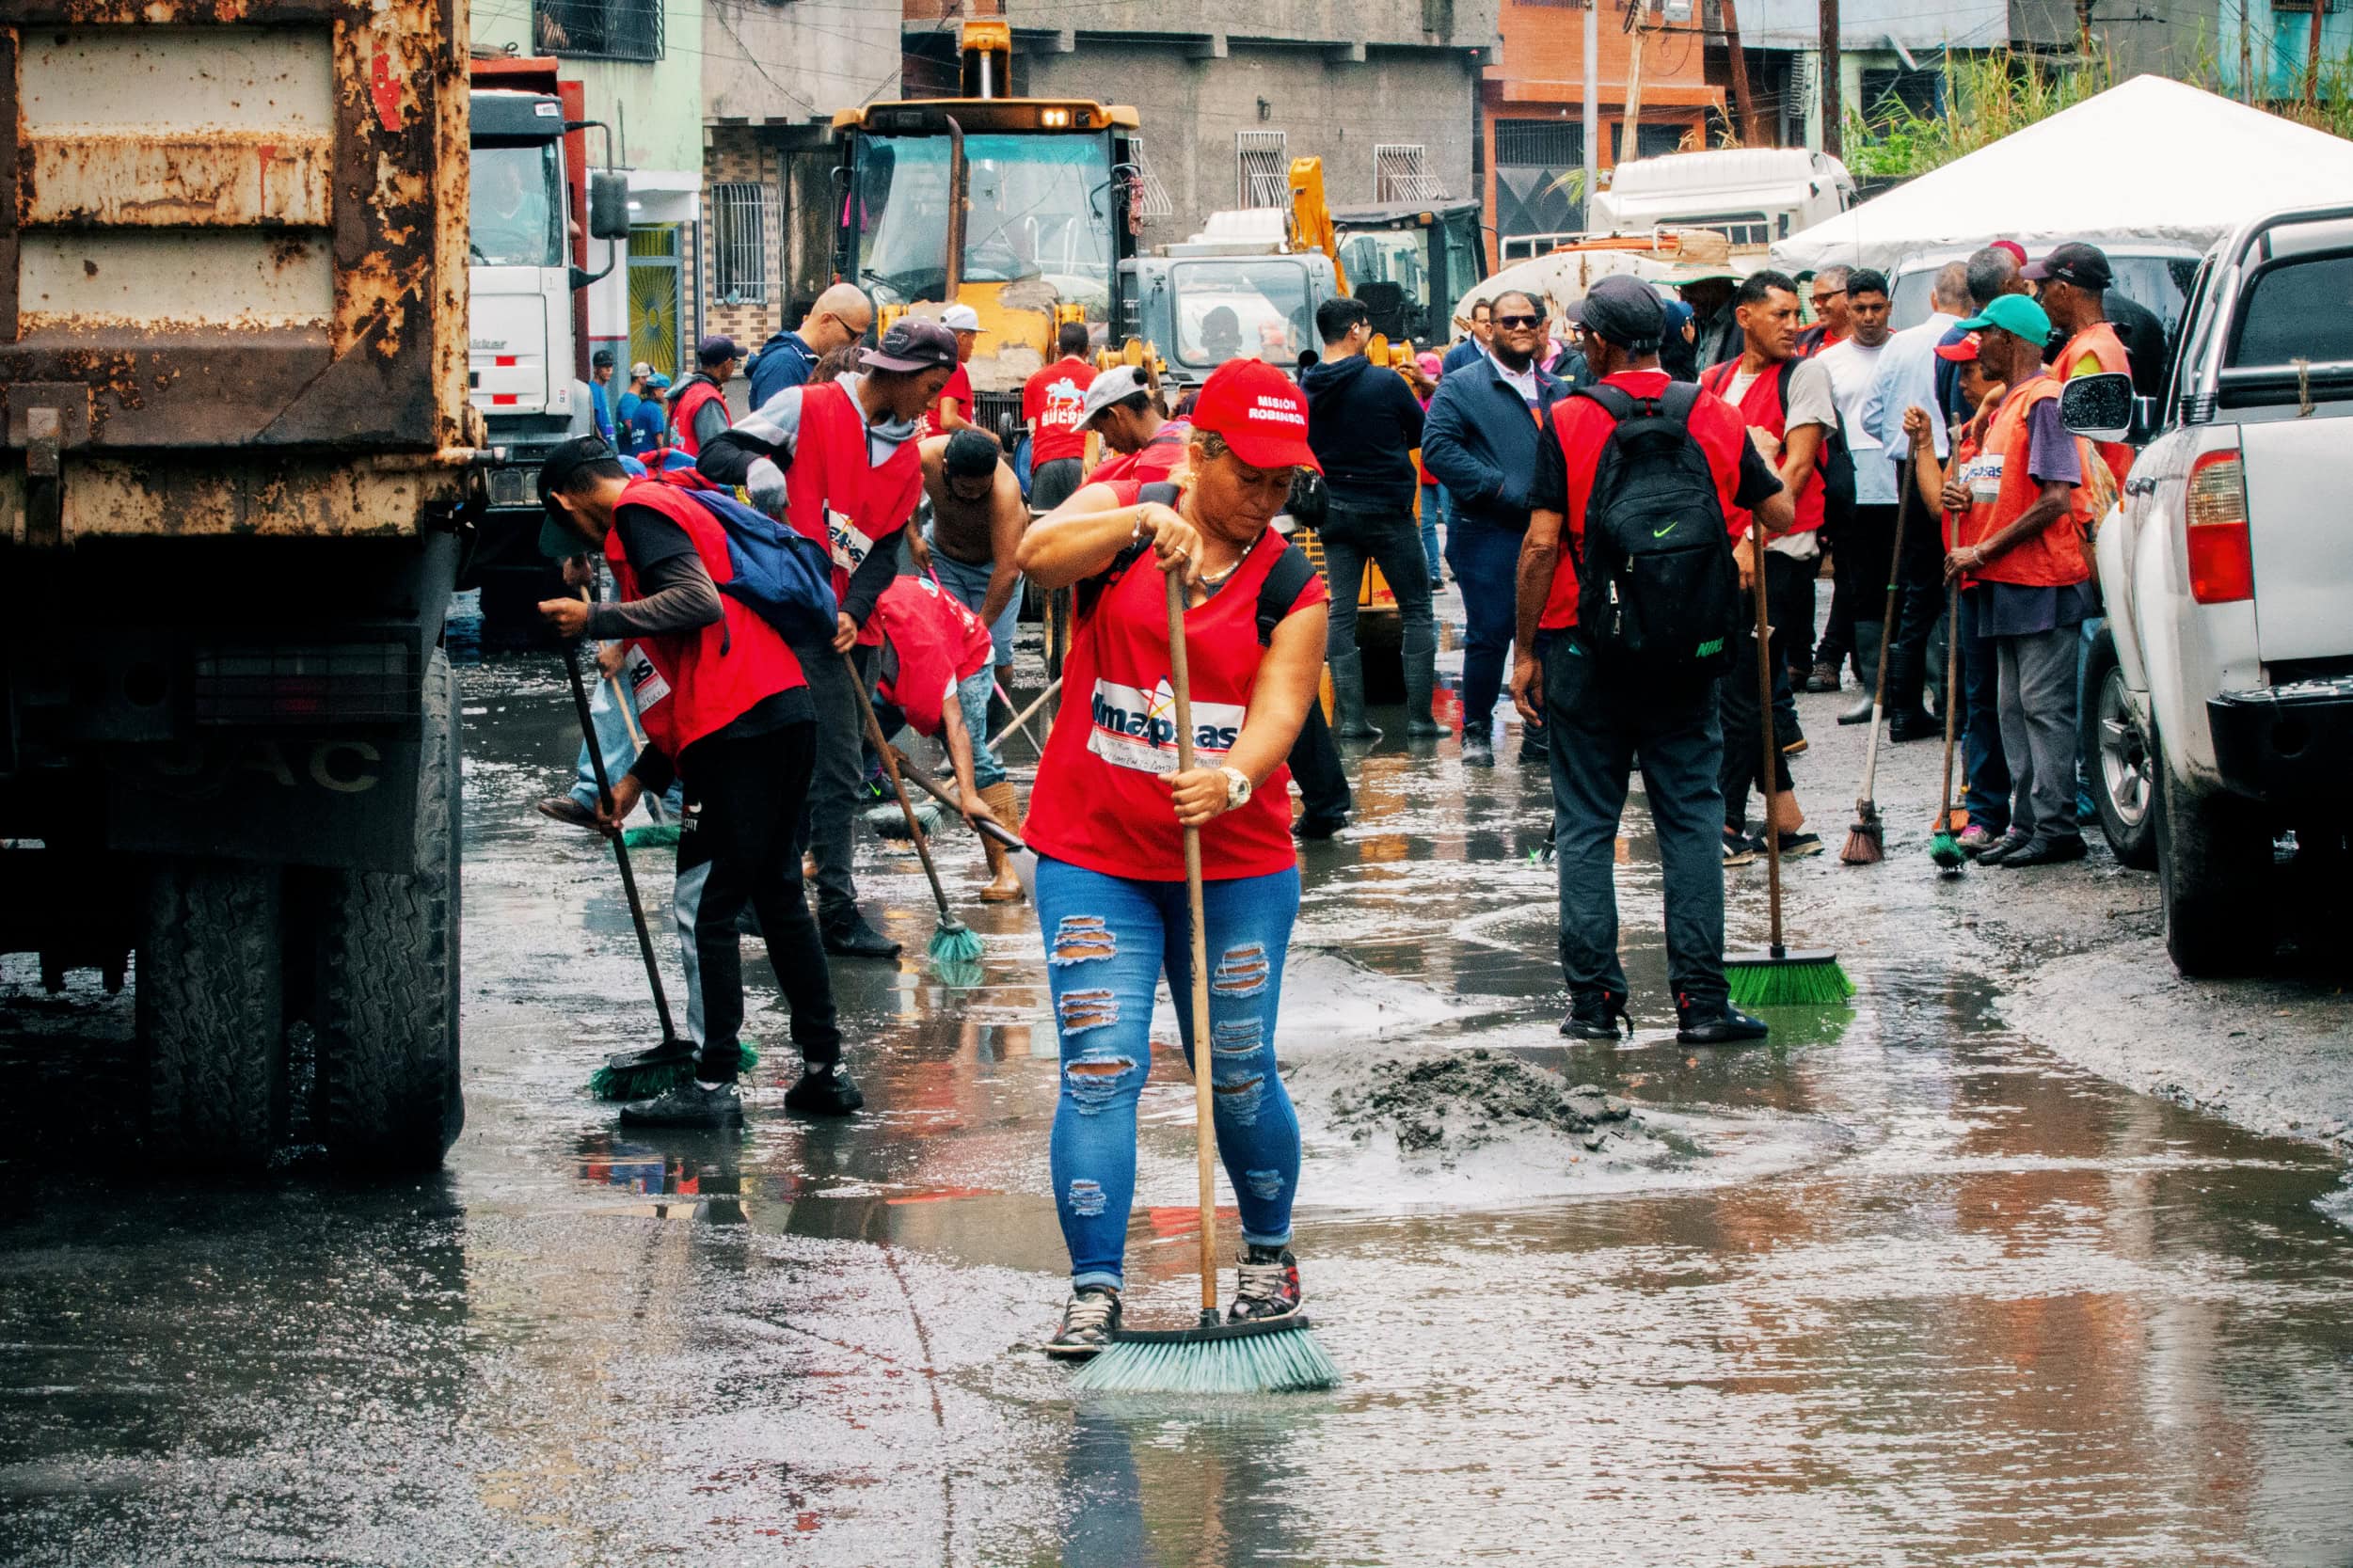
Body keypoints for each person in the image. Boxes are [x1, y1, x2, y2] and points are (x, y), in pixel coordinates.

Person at [1012, 357, 1329, 1357]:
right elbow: (1034, 553)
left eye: (1285, 484)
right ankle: (1094, 1288)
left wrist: (1232, 776)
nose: (1268, 502)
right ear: (1200, 453)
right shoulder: (1126, 513)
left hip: (1232, 860)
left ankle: (1267, 1258)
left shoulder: (1291, 580)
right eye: (1253, 479)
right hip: (1091, 850)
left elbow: (1281, 708)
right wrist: (1135, 524)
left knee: (1233, 1068)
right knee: (1101, 1066)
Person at [532, 436, 854, 1127]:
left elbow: (697, 603)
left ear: (566, 498)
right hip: (778, 712)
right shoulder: (668, 503)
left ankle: (711, 1086)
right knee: (776, 896)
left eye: (571, 527)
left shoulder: (638, 513)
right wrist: (636, 778)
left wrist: (596, 618)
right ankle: (825, 1071)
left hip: (741, 727)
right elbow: (686, 676)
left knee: (700, 903)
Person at [1513, 275, 1793, 1045]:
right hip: (1688, 650)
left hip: (1582, 647)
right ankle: (1701, 1003)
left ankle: (1594, 1006)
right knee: (1692, 821)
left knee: (1584, 826)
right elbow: (1781, 512)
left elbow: (1541, 543)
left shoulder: (1566, 418)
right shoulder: (1711, 409)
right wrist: (1751, 464)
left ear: (1599, 342)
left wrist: (1525, 649)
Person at [696, 318, 955, 958]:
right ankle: (829, 911)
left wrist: (855, 608)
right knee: (810, 764)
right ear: (895, 373)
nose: (934, 400)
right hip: (788, 608)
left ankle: (789, 898)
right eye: (931, 385)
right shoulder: (806, 407)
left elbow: (883, 547)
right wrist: (759, 465)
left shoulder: (906, 459)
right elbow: (714, 454)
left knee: (832, 768)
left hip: (848, 628)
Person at [1937, 293, 2098, 869]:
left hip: (2042, 580)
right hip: (2004, 578)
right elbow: (2005, 490)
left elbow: (2056, 498)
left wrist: (1981, 547)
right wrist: (1965, 497)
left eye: (1986, 335)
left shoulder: (2045, 402)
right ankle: (2028, 822)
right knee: (2012, 707)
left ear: (2011, 339)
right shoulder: (2008, 407)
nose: (1977, 347)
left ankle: (2055, 828)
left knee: (2041, 706)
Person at [1699, 271, 1832, 861]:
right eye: (1779, 314)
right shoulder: (1713, 381)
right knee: (1747, 683)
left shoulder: (1805, 375)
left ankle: (1726, 820)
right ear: (1745, 316)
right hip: (1723, 552)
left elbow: (1795, 471)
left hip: (1778, 551)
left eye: (1794, 313)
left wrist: (1754, 538)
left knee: (1743, 689)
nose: (1793, 324)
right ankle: (1785, 818)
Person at [1422, 288, 1568, 766]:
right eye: (1510, 322)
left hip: (1548, 532)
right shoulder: (1461, 385)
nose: (1521, 328)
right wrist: (1499, 488)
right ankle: (1478, 730)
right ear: (1490, 329)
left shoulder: (1558, 390)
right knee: (1490, 633)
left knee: (1547, 632)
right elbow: (1439, 451)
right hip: (1487, 530)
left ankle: (1540, 730)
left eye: (1530, 320)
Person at [1300, 294, 1437, 741]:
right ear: (1357, 329)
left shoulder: (1306, 389)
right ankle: (1420, 720)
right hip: (1387, 512)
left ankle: (1353, 722)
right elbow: (1420, 434)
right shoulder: (1385, 383)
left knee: (1340, 612)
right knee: (1416, 609)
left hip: (1334, 513)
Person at [1906, 333, 2013, 857]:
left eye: (1970, 371)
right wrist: (1927, 446)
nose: (1962, 383)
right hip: (1970, 578)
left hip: (2006, 578)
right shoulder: (1971, 435)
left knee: (2007, 700)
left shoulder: (2013, 423)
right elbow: (1937, 506)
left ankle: (1998, 808)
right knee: (1978, 697)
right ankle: (1984, 805)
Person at [1815, 268, 1934, 737]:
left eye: (1876, 308)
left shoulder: (1908, 349)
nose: (1868, 317)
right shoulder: (1829, 360)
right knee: (1862, 588)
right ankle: (1873, 687)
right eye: (1859, 308)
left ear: (1890, 307)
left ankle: (1921, 688)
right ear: (1847, 309)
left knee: (1913, 582)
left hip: (1906, 481)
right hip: (1856, 489)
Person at [1852, 261, 1973, 698]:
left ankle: (1905, 704)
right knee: (1957, 573)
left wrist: (1898, 440)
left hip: (1910, 464)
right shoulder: (1972, 341)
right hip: (1957, 460)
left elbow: (1870, 415)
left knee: (1919, 582)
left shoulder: (1902, 346)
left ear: (1933, 299)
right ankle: (1943, 697)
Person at [866, 566, 1010, 890]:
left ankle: (1006, 868)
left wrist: (968, 794)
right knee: (843, 749)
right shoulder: (847, 629)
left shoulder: (923, 647)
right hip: (896, 664)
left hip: (966, 652)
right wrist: (876, 744)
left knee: (975, 758)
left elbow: (955, 723)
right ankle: (822, 857)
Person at [918, 428, 1029, 823]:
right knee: (947, 658)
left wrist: (979, 627)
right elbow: (891, 493)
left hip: (994, 570)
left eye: (977, 493)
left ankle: (989, 744)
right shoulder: (926, 456)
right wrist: (912, 533)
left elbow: (1007, 568)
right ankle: (957, 745)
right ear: (946, 470)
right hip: (943, 557)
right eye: (963, 491)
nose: (970, 498)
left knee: (994, 656)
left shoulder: (1004, 490)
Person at [2025, 243, 2134, 486]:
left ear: (2063, 289)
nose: (2041, 301)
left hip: (2091, 498)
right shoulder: (2097, 341)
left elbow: (2084, 441)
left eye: (2044, 289)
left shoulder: (2090, 351)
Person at [746, 282, 875, 410]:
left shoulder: (806, 358)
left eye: (861, 337)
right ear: (826, 320)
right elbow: (776, 429)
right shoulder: (783, 366)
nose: (856, 345)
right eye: (853, 335)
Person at [1025, 323, 1098, 512]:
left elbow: (1033, 433)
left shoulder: (1034, 381)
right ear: (1088, 349)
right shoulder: (1100, 378)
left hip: (1046, 465)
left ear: (1057, 350)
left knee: (1045, 531)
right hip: (1085, 466)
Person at [1080, 365, 1190, 487]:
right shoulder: (1186, 428)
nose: (1107, 443)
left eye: (1103, 430)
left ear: (1115, 415)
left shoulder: (1150, 467)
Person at [668, 336, 741, 459]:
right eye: (735, 362)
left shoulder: (684, 391)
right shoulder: (708, 399)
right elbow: (719, 454)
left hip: (679, 472)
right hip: (698, 475)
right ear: (727, 363)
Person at [1413, 351, 1446, 586]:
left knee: (1453, 521)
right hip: (1422, 470)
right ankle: (1433, 574)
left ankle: (1457, 567)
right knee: (1425, 525)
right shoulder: (1412, 395)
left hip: (1444, 469)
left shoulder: (1443, 396)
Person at [924, 302, 981, 436]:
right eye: (973, 340)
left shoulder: (933, 363)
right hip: (944, 448)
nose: (973, 346)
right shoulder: (954, 367)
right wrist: (985, 435)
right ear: (963, 338)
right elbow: (948, 421)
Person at [1796, 266, 1851, 356]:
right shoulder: (1802, 338)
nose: (1816, 306)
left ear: (1849, 296)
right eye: (1814, 300)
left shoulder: (1874, 339)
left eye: (1824, 297)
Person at [622, 371, 670, 456]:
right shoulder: (655, 409)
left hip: (638, 459)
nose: (666, 395)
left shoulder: (639, 408)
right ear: (655, 391)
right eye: (664, 391)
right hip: (650, 462)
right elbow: (660, 441)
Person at [1441, 297, 1493, 374]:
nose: (1489, 325)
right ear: (1472, 324)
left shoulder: (1506, 353)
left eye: (1492, 321)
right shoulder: (1456, 356)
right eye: (1484, 321)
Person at [588, 347, 617, 444]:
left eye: (610, 366)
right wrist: (600, 439)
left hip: (608, 442)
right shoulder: (593, 388)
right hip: (601, 444)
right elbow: (592, 418)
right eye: (605, 367)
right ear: (596, 369)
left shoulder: (600, 389)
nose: (609, 370)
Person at [615, 361, 651, 433]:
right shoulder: (630, 400)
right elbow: (628, 423)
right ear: (641, 378)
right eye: (648, 379)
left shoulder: (634, 399)